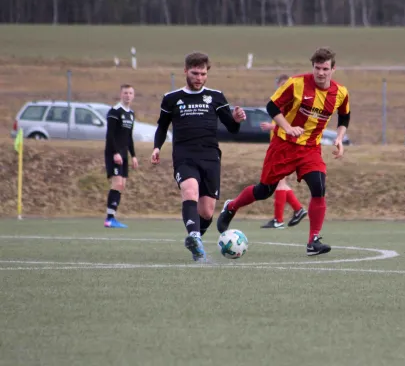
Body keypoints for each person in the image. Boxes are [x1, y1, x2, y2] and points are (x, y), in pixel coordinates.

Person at [217, 47, 350, 256]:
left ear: (333, 69)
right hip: (283, 146)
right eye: (317, 68)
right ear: (312, 67)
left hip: (311, 149)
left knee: (319, 187)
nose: (321, 73)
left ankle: (313, 241)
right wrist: (287, 128)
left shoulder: (340, 92)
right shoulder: (297, 84)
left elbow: (344, 117)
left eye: (325, 69)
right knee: (264, 191)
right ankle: (232, 206)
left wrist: (340, 138)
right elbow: (271, 107)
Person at [151, 52, 246, 261]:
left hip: (210, 157)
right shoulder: (172, 99)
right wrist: (157, 147)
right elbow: (161, 127)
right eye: (195, 73)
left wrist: (237, 119)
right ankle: (193, 235)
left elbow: (232, 128)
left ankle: (196, 242)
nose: (199, 78)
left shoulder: (216, 97)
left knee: (207, 212)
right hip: (184, 156)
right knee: (189, 189)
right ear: (186, 71)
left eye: (203, 74)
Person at [260, 73, 307, 229]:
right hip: (277, 145)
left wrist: (272, 127)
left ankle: (278, 219)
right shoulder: (278, 102)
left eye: (285, 86)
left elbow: (293, 125)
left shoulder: (294, 104)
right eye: (280, 86)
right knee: (281, 183)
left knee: (279, 182)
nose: (283, 89)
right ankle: (298, 209)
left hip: (286, 146)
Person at [104, 84, 139, 228]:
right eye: (125, 93)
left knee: (122, 185)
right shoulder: (114, 111)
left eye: (130, 93)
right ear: (121, 94)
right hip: (114, 153)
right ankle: (109, 218)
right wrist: (116, 153)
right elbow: (110, 135)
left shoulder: (130, 114)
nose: (128, 95)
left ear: (133, 95)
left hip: (124, 154)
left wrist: (134, 156)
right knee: (117, 183)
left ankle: (112, 217)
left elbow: (129, 137)